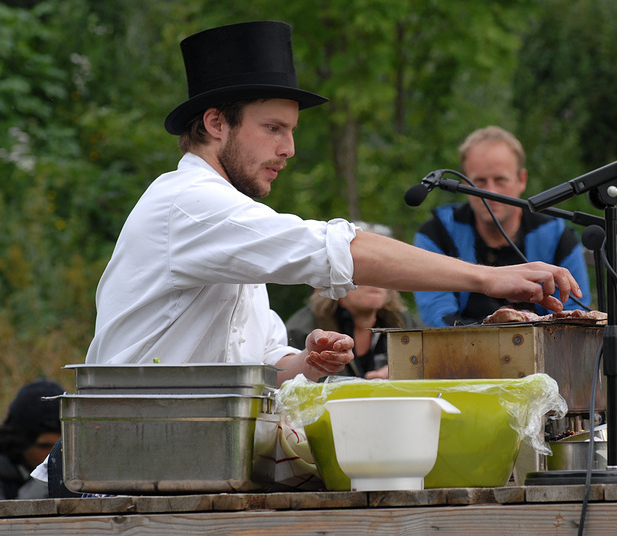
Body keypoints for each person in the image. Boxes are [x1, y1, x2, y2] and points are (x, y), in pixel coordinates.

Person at [84, 21, 581, 385]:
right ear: (216, 124)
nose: (289, 149)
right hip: (118, 463)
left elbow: (261, 364)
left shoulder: (230, 217)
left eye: (292, 131)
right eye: (273, 129)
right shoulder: (190, 203)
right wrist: (487, 277)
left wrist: (306, 362)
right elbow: (337, 249)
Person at [412, 126, 592, 327]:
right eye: (479, 181)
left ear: (521, 180)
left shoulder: (558, 236)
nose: (490, 192)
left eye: (500, 180)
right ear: (463, 183)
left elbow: (574, 316)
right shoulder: (436, 234)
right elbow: (438, 316)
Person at [286, 222, 424, 379]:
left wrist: (406, 371)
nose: (376, 279)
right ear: (336, 273)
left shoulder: (405, 325)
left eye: (385, 269)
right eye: (366, 268)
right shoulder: (302, 330)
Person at [0, 379, 64, 536]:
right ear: (20, 442)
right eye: (45, 446)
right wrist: (47, 478)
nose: (55, 455)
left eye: (61, 446)